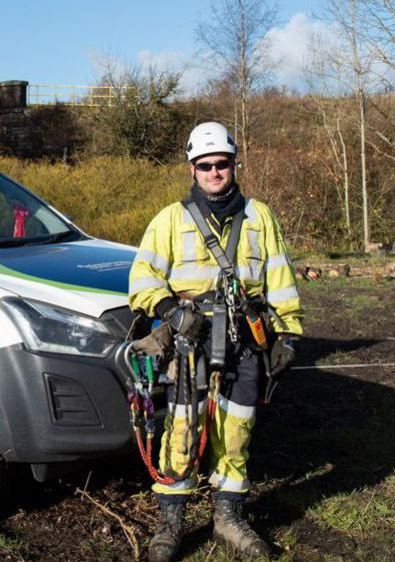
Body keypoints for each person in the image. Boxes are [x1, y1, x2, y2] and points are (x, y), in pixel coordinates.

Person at [128, 122, 303, 561]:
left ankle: (229, 518)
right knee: (183, 429)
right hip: (191, 341)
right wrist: (170, 310)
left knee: (237, 428)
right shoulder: (170, 219)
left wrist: (287, 335)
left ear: (233, 164)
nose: (214, 172)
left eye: (221, 164)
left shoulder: (261, 217)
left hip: (246, 341)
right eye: (204, 165)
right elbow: (142, 278)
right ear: (192, 168)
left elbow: (280, 280)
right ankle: (170, 524)